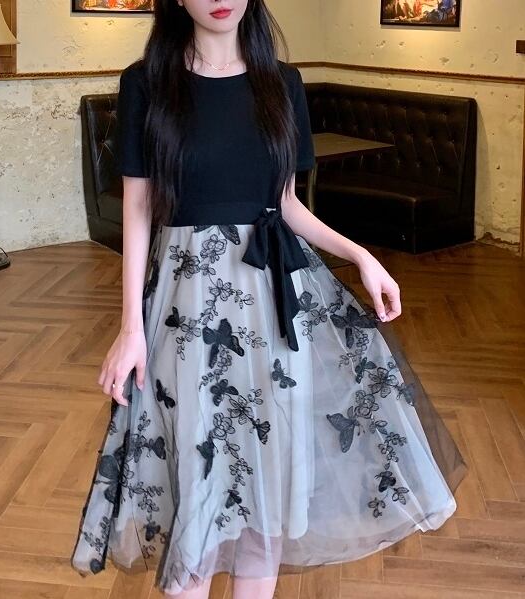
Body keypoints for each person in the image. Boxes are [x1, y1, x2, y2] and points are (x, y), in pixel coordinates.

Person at [70, 1, 468, 597]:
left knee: (270, 483)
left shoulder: (282, 83)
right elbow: (138, 209)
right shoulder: (147, 83)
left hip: (275, 303)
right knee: (197, 478)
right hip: (187, 307)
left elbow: (285, 204)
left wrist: (361, 255)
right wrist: (131, 327)